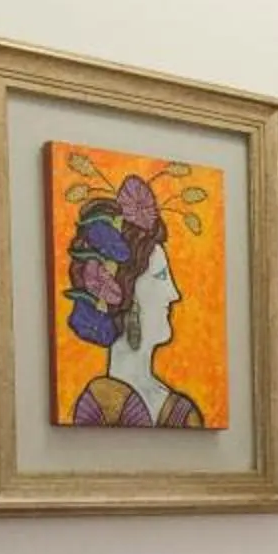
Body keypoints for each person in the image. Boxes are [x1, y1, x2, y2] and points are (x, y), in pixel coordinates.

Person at [61, 171, 206, 427]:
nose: (174, 293)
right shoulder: (99, 405)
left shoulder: (181, 411)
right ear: (124, 289)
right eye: (161, 276)